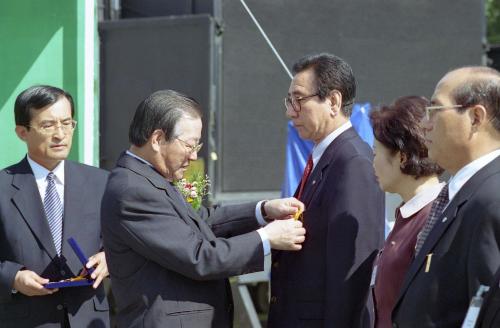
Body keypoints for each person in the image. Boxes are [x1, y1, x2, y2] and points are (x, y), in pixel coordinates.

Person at [101, 89, 306, 328]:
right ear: (157, 139)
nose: (194, 156)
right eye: (189, 146)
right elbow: (199, 257)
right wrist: (267, 238)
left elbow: (198, 221)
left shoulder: (147, 178)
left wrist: (263, 210)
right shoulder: (132, 190)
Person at [267, 53, 385, 327]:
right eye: (289, 101)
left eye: (299, 100)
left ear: (333, 101)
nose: (290, 111)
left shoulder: (353, 162)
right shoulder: (326, 156)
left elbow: (352, 271)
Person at [392, 66, 500, 327]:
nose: (424, 125)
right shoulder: (465, 191)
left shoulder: (491, 200)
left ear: (475, 117)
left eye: (434, 111)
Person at [0, 85, 110, 327]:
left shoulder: (101, 182)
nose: (60, 134)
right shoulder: (3, 187)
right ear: (22, 132)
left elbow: (126, 241)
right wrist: (13, 278)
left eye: (67, 123)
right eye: (48, 125)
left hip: (89, 318)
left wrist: (108, 258)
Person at [369, 96, 444, 328]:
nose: (372, 164)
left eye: (375, 153)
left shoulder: (437, 217)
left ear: (401, 157)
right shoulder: (409, 214)